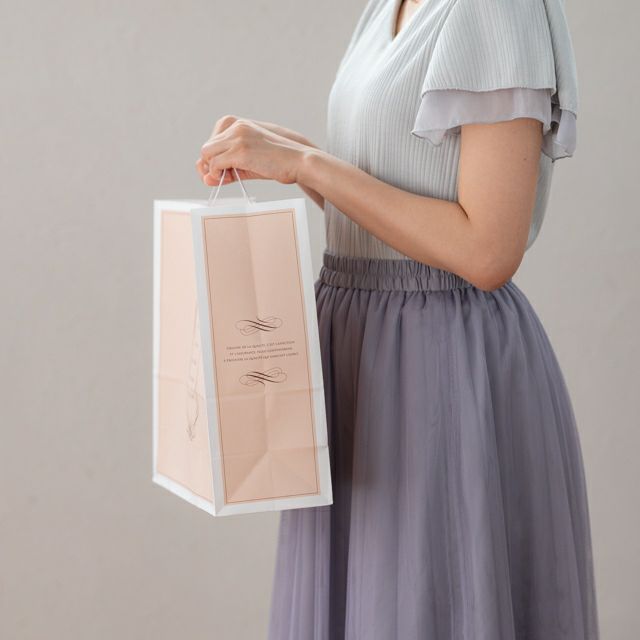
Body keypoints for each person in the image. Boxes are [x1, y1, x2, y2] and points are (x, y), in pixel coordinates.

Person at [196, 0, 600, 637]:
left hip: (437, 367)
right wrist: (291, 154)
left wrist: (307, 165)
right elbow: (402, 193)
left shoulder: (495, 9)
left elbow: (488, 250)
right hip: (361, 352)